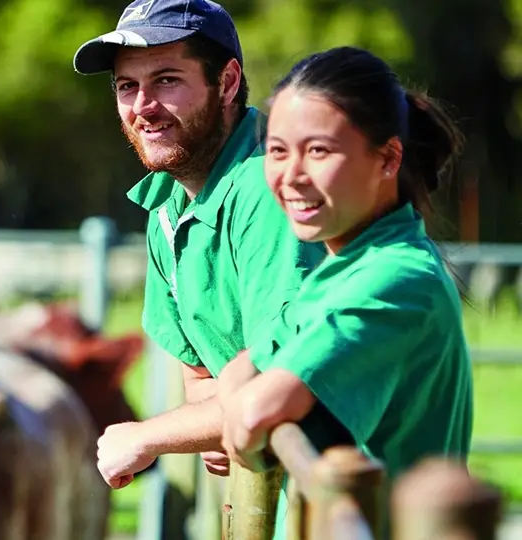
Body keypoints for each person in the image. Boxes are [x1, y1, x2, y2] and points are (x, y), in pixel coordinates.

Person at [216, 45, 473, 537]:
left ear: (388, 158)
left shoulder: (397, 280)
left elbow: (252, 412)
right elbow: (237, 375)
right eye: (276, 150)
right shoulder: (342, 269)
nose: (290, 175)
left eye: (318, 151)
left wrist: (257, 424)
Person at [72, 0, 326, 488]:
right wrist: (208, 426)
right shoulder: (166, 205)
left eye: (166, 80)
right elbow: (199, 374)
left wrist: (148, 436)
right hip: (282, 492)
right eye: (127, 86)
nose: (143, 106)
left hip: (348, 499)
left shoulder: (269, 189)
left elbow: (286, 379)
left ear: (227, 83)